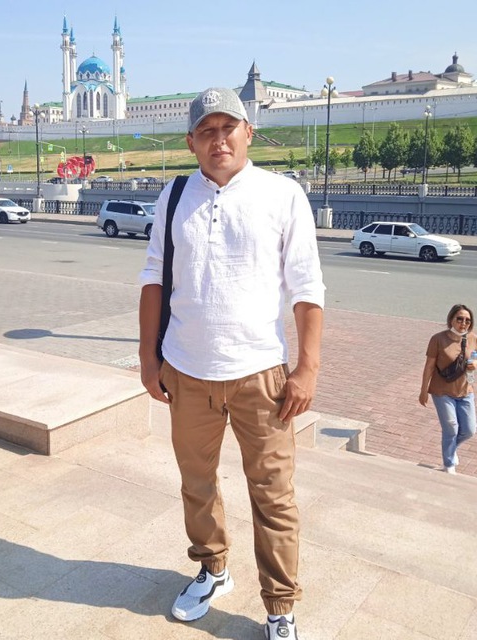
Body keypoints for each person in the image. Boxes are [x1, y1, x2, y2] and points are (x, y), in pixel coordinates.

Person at [138, 87, 325, 639]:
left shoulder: (282, 194)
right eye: (207, 131)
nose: (218, 139)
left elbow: (307, 287)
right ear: (191, 142)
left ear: (248, 132)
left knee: (273, 495)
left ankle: (280, 607)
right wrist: (149, 359)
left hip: (261, 376)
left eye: (228, 128)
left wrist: (307, 368)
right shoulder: (174, 196)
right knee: (197, 483)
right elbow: (153, 278)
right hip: (186, 371)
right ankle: (213, 568)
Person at [419, 304, 477, 474]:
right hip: (442, 391)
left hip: (465, 391)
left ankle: (451, 449)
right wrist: (423, 390)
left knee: (469, 430)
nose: (463, 323)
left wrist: (475, 364)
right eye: (459, 319)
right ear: (451, 319)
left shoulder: (473, 338)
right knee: (451, 427)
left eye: (467, 320)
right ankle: (449, 464)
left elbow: (475, 357)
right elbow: (429, 366)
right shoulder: (438, 339)